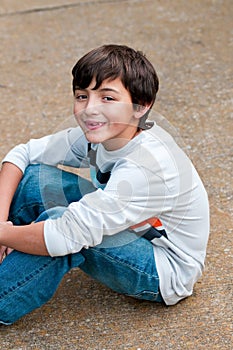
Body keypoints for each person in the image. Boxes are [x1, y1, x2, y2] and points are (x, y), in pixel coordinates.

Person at [0, 44, 209, 325]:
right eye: (82, 96)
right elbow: (22, 154)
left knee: (62, 225)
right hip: (126, 227)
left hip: (163, 269)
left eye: (107, 97)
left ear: (141, 106)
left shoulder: (148, 169)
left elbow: (64, 235)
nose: (90, 109)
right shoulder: (106, 132)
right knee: (35, 177)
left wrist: (5, 235)